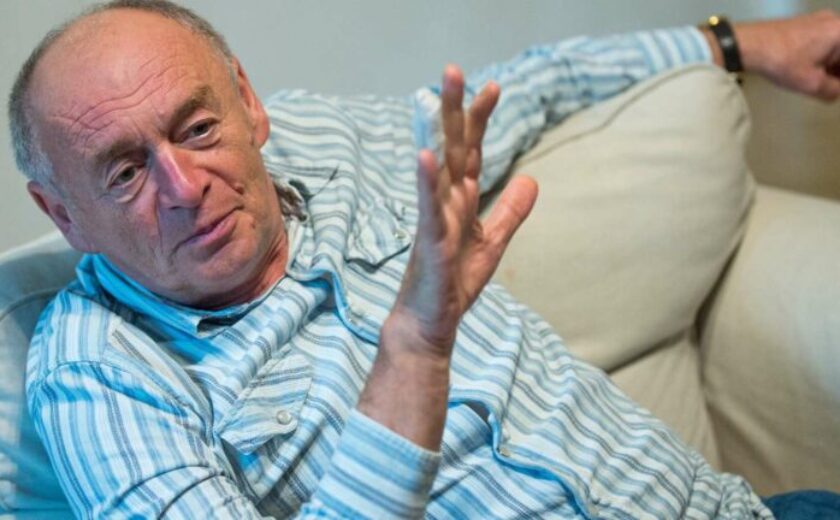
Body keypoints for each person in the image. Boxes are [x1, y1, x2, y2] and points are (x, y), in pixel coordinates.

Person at [7, 0, 840, 517]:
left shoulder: (323, 141)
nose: (185, 186)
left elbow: (528, 87)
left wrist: (743, 44)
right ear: (63, 214)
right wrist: (413, 350)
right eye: (124, 172)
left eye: (198, 128)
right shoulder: (98, 372)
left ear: (249, 103)